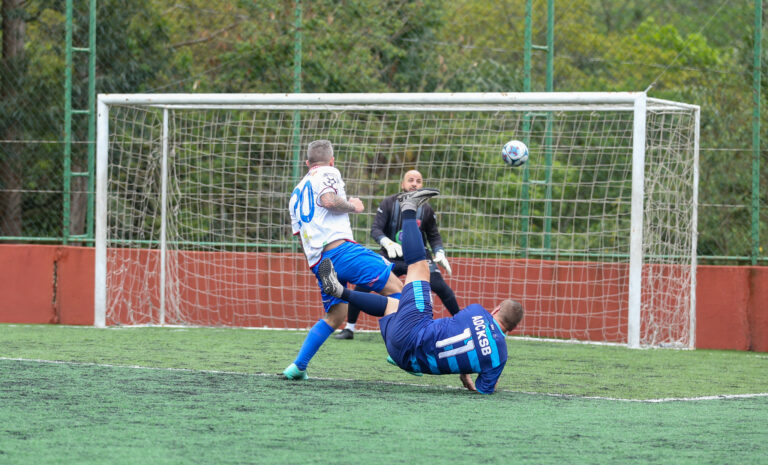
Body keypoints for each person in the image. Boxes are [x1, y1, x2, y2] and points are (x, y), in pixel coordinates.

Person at [318, 188, 524, 394]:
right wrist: (470, 370)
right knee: (394, 305)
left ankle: (408, 207)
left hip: (412, 334)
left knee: (419, 266)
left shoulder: (478, 312)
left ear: (496, 310)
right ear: (511, 329)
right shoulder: (500, 357)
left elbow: (464, 329)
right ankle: (340, 291)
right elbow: (485, 388)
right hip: (402, 357)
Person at [284, 139, 404, 380]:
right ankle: (398, 350)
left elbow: (300, 238)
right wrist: (353, 206)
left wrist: (317, 266)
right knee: (398, 290)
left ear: (307, 163)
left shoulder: (295, 195)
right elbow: (328, 200)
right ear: (331, 160)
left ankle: (298, 366)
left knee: (336, 315)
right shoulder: (328, 172)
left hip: (319, 262)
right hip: (342, 252)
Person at [334, 169, 460, 340]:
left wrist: (439, 251)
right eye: (411, 180)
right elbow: (376, 229)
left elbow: (434, 236)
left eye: (418, 181)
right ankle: (349, 328)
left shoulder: (427, 210)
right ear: (402, 184)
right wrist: (387, 242)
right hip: (391, 257)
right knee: (363, 285)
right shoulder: (388, 203)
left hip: (418, 259)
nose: (414, 184)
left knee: (440, 286)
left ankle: (461, 324)